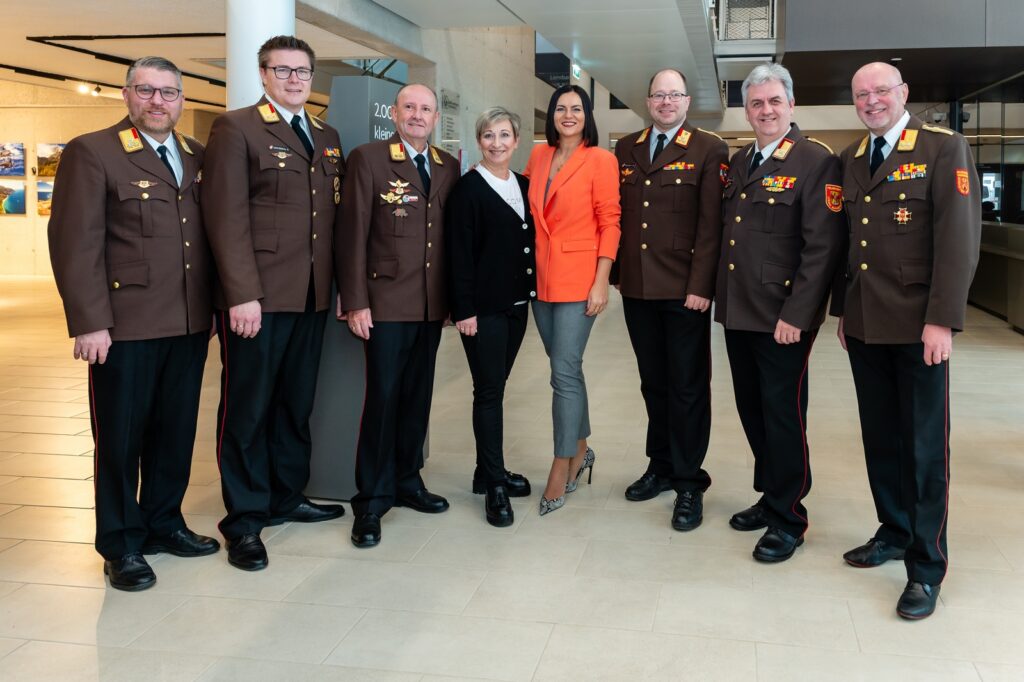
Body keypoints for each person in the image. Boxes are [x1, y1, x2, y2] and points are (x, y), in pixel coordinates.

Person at [48, 56, 219, 591]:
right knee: (121, 440)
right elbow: (75, 244)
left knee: (175, 432)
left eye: (168, 92)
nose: (157, 101)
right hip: (125, 326)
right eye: (146, 90)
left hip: (189, 321)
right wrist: (89, 322)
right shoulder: (93, 151)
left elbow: (210, 237)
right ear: (126, 95)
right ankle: (121, 544)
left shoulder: (195, 155)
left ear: (182, 100)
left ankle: (164, 523)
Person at [832, 62, 981, 619]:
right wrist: (843, 311)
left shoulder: (943, 148)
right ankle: (893, 532)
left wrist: (943, 319)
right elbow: (850, 243)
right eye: (861, 94)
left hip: (920, 327)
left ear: (904, 94)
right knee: (881, 438)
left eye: (881, 91)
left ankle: (926, 567)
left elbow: (959, 239)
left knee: (923, 449)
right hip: (865, 323)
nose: (871, 101)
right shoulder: (851, 157)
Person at [202, 35, 346, 572]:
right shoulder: (236, 128)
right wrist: (241, 293)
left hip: (311, 296)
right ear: (263, 74)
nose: (294, 79)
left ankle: (287, 495)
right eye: (282, 70)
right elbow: (225, 218)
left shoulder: (326, 136)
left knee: (294, 403)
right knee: (248, 408)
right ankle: (244, 520)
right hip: (257, 299)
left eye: (302, 71)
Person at [717, 63, 846, 562]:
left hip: (782, 317)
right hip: (739, 310)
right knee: (753, 410)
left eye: (774, 101)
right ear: (746, 111)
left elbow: (822, 248)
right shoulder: (741, 159)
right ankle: (771, 496)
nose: (766, 110)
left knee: (783, 416)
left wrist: (798, 314)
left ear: (791, 104)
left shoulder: (816, 160)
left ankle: (790, 517)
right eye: (756, 103)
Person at [339, 84, 459, 547]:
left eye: (425, 109)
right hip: (385, 302)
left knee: (417, 397)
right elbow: (351, 232)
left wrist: (452, 300)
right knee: (383, 400)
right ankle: (371, 500)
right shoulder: (368, 159)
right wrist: (356, 300)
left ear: (435, 118)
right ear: (394, 113)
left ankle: (408, 480)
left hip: (430, 305)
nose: (417, 115)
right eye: (409, 107)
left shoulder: (447, 165)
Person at [612, 68, 728, 531]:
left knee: (687, 387)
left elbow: (711, 225)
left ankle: (688, 481)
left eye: (673, 95)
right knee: (653, 383)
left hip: (684, 291)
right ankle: (660, 465)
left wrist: (702, 286)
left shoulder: (708, 148)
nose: (665, 102)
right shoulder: (627, 147)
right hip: (638, 287)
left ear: (687, 101)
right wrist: (618, 274)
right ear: (648, 101)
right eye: (658, 95)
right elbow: (622, 215)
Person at [523, 84, 621, 515]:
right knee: (567, 368)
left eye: (576, 108)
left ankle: (561, 463)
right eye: (560, 108)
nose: (568, 115)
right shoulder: (538, 156)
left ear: (587, 116)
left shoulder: (600, 159)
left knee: (562, 373)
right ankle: (582, 448)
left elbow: (610, 222)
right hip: (540, 280)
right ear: (551, 114)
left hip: (580, 279)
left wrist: (601, 280)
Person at [447, 107, 537, 527]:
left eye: (504, 135)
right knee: (488, 392)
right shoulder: (468, 189)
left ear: (516, 141)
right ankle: (495, 485)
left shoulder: (524, 184)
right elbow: (459, 254)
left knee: (497, 387)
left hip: (517, 306)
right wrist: (464, 309)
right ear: (479, 140)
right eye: (488, 135)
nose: (496, 143)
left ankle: (486, 471)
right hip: (482, 311)